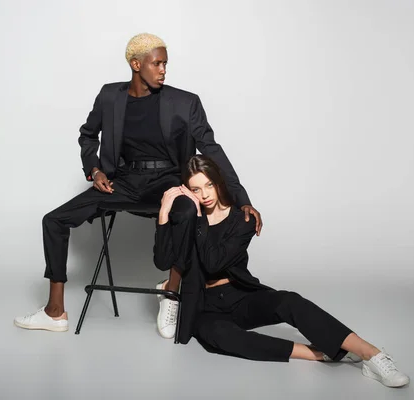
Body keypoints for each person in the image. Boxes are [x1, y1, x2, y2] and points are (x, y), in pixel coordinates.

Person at [14, 33, 261, 339]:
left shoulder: (185, 102)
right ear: (135, 64)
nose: (163, 70)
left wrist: (241, 197)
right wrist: (94, 169)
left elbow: (211, 149)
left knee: (187, 210)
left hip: (170, 182)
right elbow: (88, 135)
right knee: (53, 220)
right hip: (124, 182)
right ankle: (55, 312)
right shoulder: (109, 96)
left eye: (165, 63)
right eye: (157, 63)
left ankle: (170, 292)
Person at [154, 155, 410, 388]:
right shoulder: (189, 219)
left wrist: (199, 220)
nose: (205, 195)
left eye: (209, 185)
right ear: (188, 192)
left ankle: (372, 355)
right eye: (196, 190)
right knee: (219, 337)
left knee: (289, 301)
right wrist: (165, 212)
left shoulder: (242, 220)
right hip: (203, 304)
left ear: (219, 182)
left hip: (239, 296)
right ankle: (317, 353)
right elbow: (163, 260)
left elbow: (213, 263)